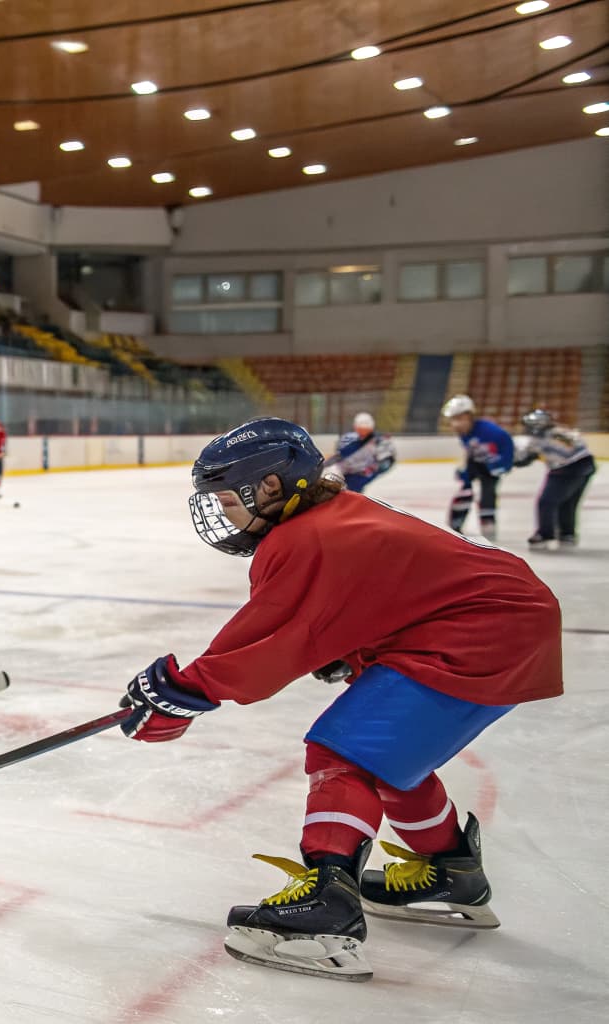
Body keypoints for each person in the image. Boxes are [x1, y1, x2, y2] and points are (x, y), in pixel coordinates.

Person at [118, 417, 562, 982]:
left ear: (273, 487)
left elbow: (269, 641)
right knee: (385, 758)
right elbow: (370, 596)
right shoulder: (333, 513)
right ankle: (452, 871)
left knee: (342, 752)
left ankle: (328, 905)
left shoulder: (307, 537)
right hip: (499, 619)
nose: (222, 513)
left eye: (229, 500)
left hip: (482, 629)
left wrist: (182, 689)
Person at [514, 408, 595, 549]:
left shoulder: (539, 439)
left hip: (566, 468)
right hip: (586, 464)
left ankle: (545, 534)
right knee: (568, 502)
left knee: (546, 502)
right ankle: (567, 533)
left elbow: (523, 459)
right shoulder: (560, 431)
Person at [441, 394, 514, 540]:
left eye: (459, 419)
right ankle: (455, 525)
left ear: (469, 416)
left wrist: (502, 466)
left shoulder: (491, 431)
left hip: (493, 465)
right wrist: (465, 471)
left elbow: (507, 447)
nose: (455, 424)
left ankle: (488, 526)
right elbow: (470, 452)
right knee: (464, 492)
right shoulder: (464, 433)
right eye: (453, 420)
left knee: (488, 494)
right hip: (477, 462)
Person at [328, 412, 395, 493]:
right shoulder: (347, 439)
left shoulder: (379, 441)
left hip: (360, 475)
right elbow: (339, 455)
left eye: (365, 429)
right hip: (345, 473)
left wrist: (370, 471)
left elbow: (386, 462)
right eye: (361, 429)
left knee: (352, 493)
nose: (363, 432)